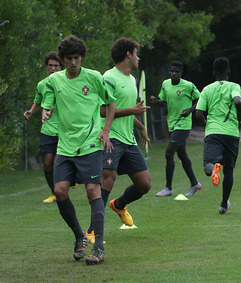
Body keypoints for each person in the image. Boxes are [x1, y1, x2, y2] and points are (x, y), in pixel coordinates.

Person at [41, 35, 116, 264]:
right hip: (65, 146)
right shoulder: (54, 81)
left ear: (81, 57)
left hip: (90, 144)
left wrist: (105, 130)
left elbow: (110, 103)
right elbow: (48, 102)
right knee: (60, 191)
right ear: (62, 60)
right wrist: (46, 111)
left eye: (76, 58)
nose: (73, 62)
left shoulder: (93, 77)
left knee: (93, 190)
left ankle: (99, 247)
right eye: (69, 58)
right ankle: (79, 236)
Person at [84, 37, 152, 242]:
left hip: (128, 140)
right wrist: (133, 110)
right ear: (128, 55)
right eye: (136, 53)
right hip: (110, 138)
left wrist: (140, 127)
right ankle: (91, 231)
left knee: (145, 185)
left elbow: (128, 114)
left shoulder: (132, 79)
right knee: (107, 179)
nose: (138, 57)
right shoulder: (109, 78)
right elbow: (104, 111)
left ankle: (119, 205)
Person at [195, 56, 241, 214]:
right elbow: (238, 102)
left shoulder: (206, 89)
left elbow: (198, 114)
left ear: (213, 73)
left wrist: (208, 125)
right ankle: (224, 204)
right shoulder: (234, 86)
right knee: (229, 170)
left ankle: (214, 169)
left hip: (213, 133)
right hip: (231, 133)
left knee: (207, 167)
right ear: (228, 72)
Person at [149, 61, 202, 197]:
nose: (173, 73)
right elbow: (164, 102)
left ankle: (168, 188)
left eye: (176, 72)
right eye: (171, 71)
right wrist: (156, 102)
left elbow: (201, 99)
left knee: (168, 153)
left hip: (183, 124)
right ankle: (195, 184)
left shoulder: (188, 86)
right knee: (182, 155)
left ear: (181, 73)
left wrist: (190, 110)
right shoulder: (165, 84)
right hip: (172, 123)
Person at [23, 52, 64, 203]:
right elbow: (38, 101)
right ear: (47, 67)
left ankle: (69, 182)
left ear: (61, 67)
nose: (53, 68)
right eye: (50, 65)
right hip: (47, 129)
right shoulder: (42, 84)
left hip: (65, 129)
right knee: (48, 162)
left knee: (62, 161)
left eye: (56, 65)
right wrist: (31, 112)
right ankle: (54, 193)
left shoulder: (68, 82)